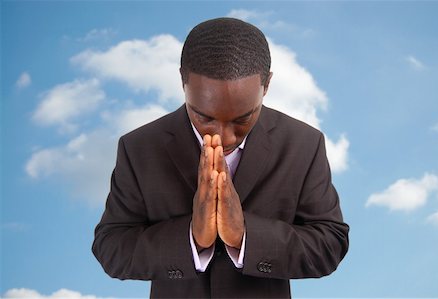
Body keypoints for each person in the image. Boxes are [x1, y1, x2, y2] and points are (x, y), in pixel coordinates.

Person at [92, 17, 349, 298]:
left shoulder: (304, 144)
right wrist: (192, 237)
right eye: (204, 117)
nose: (223, 137)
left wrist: (243, 235)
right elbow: (110, 246)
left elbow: (330, 243)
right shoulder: (139, 147)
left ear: (267, 84)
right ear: (183, 81)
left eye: (243, 119)